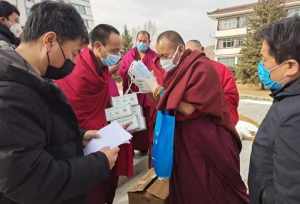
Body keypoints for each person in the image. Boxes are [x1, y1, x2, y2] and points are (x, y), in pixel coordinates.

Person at [0, 2, 119, 204]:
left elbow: (38, 132)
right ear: (49, 41)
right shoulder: (9, 93)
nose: (73, 62)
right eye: (73, 53)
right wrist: (100, 162)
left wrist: (78, 136)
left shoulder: (33, 78)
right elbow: (30, 181)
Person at [136, 31, 249, 204]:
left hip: (206, 139)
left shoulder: (202, 68)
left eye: (165, 55)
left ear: (180, 49)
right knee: (186, 185)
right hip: (183, 138)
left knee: (210, 188)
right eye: (160, 55)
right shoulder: (175, 70)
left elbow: (189, 109)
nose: (162, 60)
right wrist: (153, 90)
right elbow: (168, 102)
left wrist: (162, 92)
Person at [55, 24, 133, 204]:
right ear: (98, 46)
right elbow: (73, 111)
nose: (118, 55)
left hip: (104, 133)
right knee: (91, 191)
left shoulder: (101, 66)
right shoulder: (77, 68)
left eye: (119, 50)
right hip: (85, 140)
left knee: (107, 185)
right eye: (114, 50)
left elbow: (104, 100)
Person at [249, 16, 300, 204]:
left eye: (265, 59)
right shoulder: (288, 96)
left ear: (290, 66)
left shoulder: (295, 116)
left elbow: (290, 194)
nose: (262, 66)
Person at [118, 31, 158, 154]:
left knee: (146, 122)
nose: (142, 43)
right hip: (133, 94)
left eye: (144, 41)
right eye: (139, 40)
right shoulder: (129, 54)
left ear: (149, 42)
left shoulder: (154, 56)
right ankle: (131, 149)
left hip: (147, 95)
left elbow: (158, 72)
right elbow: (122, 71)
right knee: (131, 122)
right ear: (136, 40)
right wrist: (132, 71)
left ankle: (145, 147)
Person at [186, 39, 239, 126]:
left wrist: (210, 102)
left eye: (195, 52)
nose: (193, 57)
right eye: (189, 54)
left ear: (202, 49)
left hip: (218, 122)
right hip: (193, 124)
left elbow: (232, 97)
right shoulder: (185, 71)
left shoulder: (221, 69)